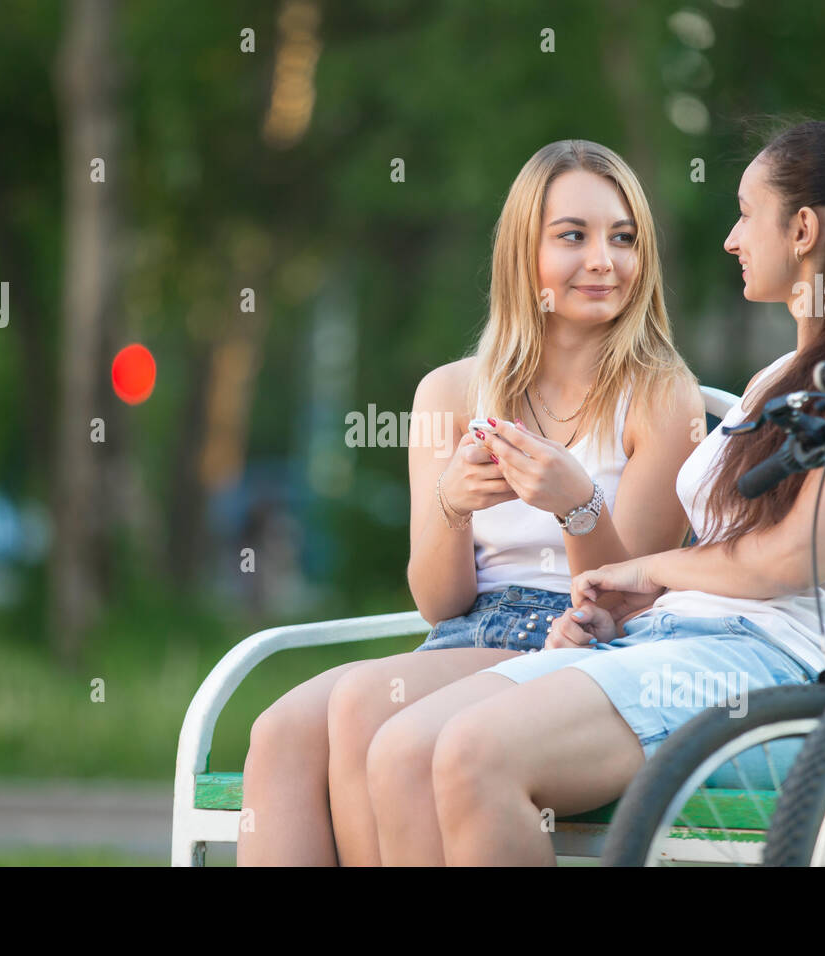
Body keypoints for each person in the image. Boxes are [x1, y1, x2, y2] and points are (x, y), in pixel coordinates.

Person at [351, 120, 825, 864]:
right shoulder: (776, 380)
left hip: (783, 671)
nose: (732, 239)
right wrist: (621, 610)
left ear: (802, 229)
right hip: (674, 642)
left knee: (472, 754)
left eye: (745, 214)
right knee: (400, 748)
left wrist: (645, 571)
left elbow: (787, 562)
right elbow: (726, 556)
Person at [237, 140, 702, 865]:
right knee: (278, 732)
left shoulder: (663, 394)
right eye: (572, 236)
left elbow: (622, 600)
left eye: (623, 238)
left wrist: (577, 504)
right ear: (524, 251)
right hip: (470, 633)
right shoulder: (447, 394)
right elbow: (438, 602)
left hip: (579, 641)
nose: (604, 261)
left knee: (363, 704)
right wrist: (451, 506)